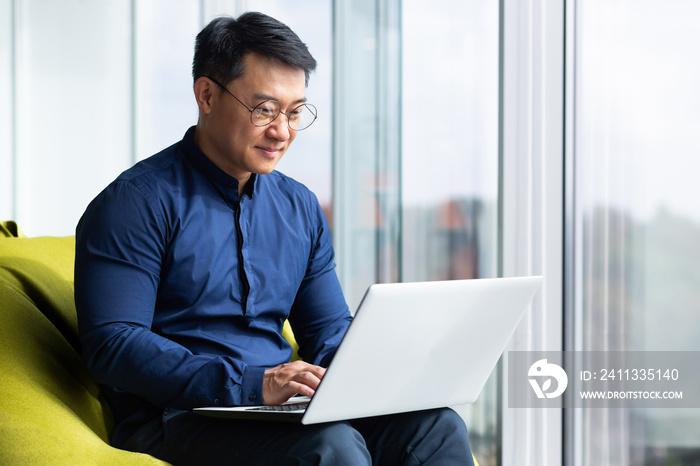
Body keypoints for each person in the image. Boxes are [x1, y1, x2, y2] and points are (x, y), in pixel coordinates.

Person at [75, 11, 474, 465]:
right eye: (264, 109)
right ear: (206, 95)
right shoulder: (135, 202)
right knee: (332, 447)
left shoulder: (299, 207)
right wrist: (254, 382)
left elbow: (325, 330)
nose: (282, 131)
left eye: (295, 112)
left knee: (436, 427)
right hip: (175, 417)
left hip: (280, 411)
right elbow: (114, 343)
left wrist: (380, 374)